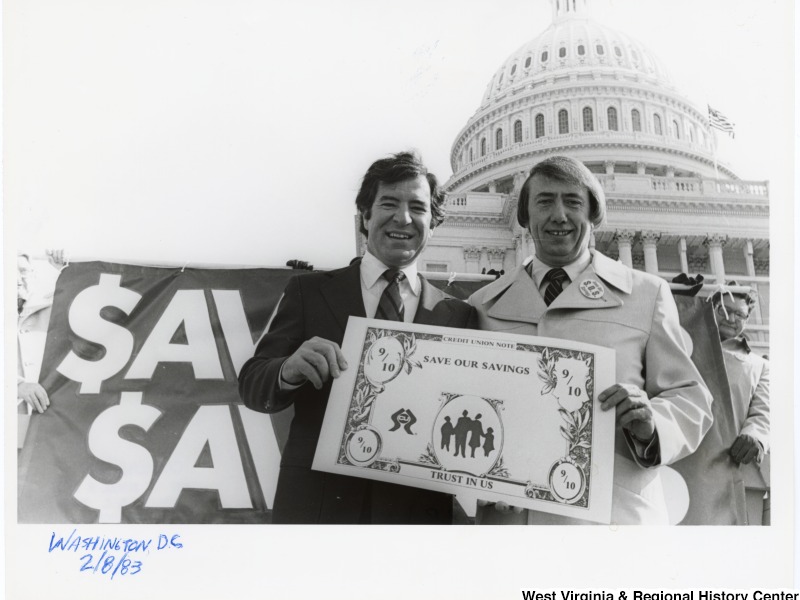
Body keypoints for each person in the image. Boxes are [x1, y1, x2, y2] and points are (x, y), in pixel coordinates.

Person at [469, 155, 713, 525]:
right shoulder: (482, 307)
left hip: (613, 519)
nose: (559, 215)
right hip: (512, 524)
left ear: (594, 214)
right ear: (524, 216)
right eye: (545, 201)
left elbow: (690, 398)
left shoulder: (647, 295)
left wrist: (652, 423)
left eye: (573, 202)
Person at [239, 151, 475, 524]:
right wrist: (287, 369)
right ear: (365, 216)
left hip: (416, 517)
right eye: (389, 203)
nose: (403, 218)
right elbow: (252, 385)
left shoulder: (458, 315)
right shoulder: (309, 292)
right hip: (319, 510)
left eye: (418, 207)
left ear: (434, 224)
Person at [711, 283, 769, 523]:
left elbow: (763, 412)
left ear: (747, 318)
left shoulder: (760, 365)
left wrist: (755, 436)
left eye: (739, 314)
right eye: (724, 309)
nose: (730, 318)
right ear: (712, 309)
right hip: (684, 462)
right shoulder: (683, 348)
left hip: (734, 465)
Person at [17, 250, 67, 415]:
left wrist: (61, 267)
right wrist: (16, 386)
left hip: (46, 418)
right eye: (10, 272)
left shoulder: (45, 304)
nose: (18, 280)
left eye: (24, 271)